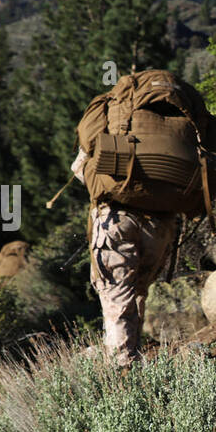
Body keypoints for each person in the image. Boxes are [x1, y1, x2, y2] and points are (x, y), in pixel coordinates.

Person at [72, 147, 179, 368]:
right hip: (161, 223)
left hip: (116, 219)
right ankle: (132, 356)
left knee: (117, 294)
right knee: (138, 291)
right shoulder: (171, 118)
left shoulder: (109, 119)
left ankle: (122, 370)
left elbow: (79, 169)